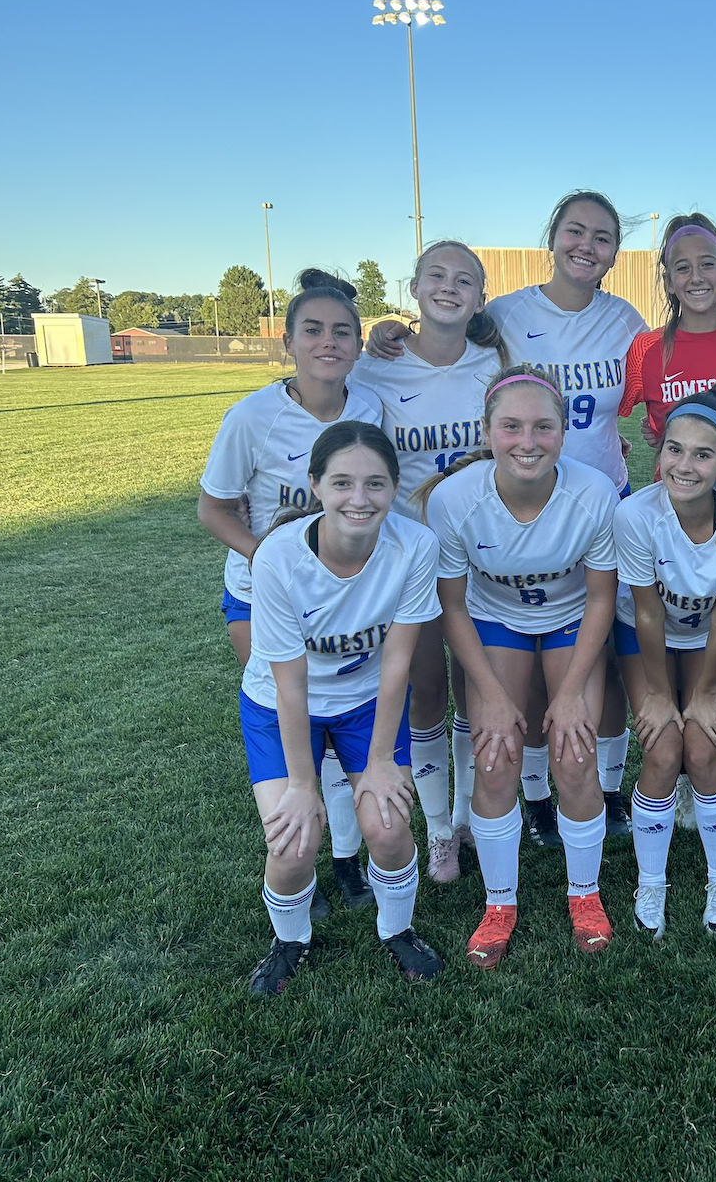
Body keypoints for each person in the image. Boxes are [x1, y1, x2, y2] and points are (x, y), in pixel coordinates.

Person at [368, 195, 649, 848]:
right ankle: (525, 798)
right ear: (552, 238)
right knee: (503, 658)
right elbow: (445, 331)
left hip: (595, 502)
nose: (586, 245)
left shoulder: (627, 321)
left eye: (602, 237)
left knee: (598, 657)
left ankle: (606, 788)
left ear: (615, 253)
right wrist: (392, 328)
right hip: (495, 509)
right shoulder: (506, 316)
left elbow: (648, 391)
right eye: (574, 231)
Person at [422, 370, 621, 968]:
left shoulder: (593, 493)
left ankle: (584, 893)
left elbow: (601, 599)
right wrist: (489, 694)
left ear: (564, 432)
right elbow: (453, 606)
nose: (527, 442)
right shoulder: (454, 499)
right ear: (487, 433)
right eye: (511, 427)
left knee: (575, 754)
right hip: (495, 622)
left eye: (543, 427)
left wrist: (570, 693)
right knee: (495, 757)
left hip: (570, 621)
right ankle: (499, 903)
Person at [199, 271, 382, 915]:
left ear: (358, 345)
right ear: (288, 342)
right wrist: (270, 560)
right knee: (291, 721)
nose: (328, 342)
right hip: (261, 597)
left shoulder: (370, 408)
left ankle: (347, 860)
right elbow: (213, 509)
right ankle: (299, 857)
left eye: (342, 332)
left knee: (338, 722)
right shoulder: (252, 417)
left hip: (346, 599)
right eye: (313, 330)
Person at [241, 420, 444, 996]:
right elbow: (291, 686)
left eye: (376, 484)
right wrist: (303, 787)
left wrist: (380, 762)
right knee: (293, 842)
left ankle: (397, 930)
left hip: (365, 702)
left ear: (394, 487)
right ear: (316, 485)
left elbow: (398, 664)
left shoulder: (415, 546)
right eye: (343, 483)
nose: (360, 498)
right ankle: (290, 942)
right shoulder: (277, 557)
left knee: (388, 827)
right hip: (280, 704)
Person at [350, 241, 505, 884]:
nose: (448, 287)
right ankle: (438, 828)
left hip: (481, 554)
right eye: (435, 275)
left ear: (480, 297)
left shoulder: (495, 362)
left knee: (474, 689)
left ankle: (466, 816)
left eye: (464, 280)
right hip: (409, 558)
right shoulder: (375, 368)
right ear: (412, 288)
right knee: (427, 691)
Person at [620, 214, 716, 832]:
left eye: (707, 263)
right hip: (678, 520)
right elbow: (636, 423)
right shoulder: (648, 350)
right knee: (680, 646)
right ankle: (688, 774)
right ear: (666, 277)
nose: (695, 276)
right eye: (681, 266)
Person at [615, 385, 716, 939]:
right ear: (659, 451)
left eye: (702, 455)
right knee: (662, 751)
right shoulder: (635, 514)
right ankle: (651, 882)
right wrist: (660, 696)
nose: (684, 466)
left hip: (708, 636)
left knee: (704, 750)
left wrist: (705, 695)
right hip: (648, 635)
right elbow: (646, 612)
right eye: (674, 449)